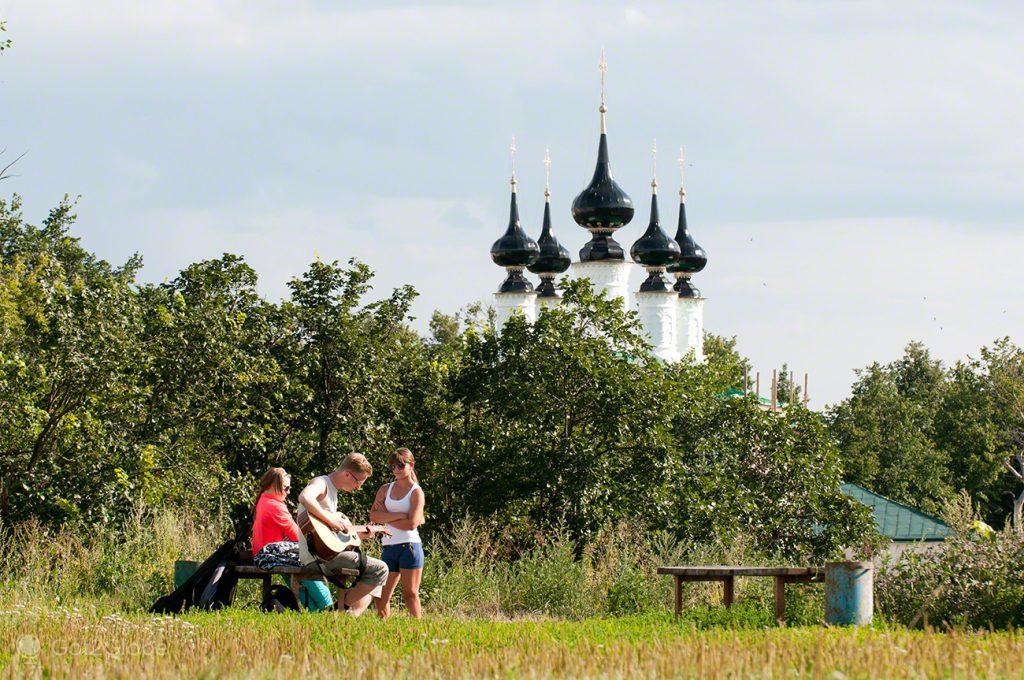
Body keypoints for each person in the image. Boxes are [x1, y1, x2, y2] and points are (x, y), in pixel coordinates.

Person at [296, 453, 389, 616]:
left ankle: (347, 613)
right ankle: (340, 610)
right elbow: (305, 497)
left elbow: (329, 539)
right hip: (316, 558)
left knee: (377, 576)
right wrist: (332, 522)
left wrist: (359, 536)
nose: (358, 487)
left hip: (326, 555)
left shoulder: (333, 493)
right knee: (381, 569)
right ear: (347, 474)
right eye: (359, 481)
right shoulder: (321, 483)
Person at [250, 467, 334, 611]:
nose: (289, 492)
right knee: (313, 558)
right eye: (286, 488)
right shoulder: (274, 506)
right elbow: (297, 535)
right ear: (273, 485)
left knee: (305, 579)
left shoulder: (263, 500)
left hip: (265, 555)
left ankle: (318, 613)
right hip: (271, 555)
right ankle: (327, 608)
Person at [370, 447, 425, 618]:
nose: (396, 470)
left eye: (400, 466)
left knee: (410, 595)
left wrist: (386, 517)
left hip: (409, 547)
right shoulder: (385, 489)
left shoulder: (416, 492)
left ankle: (420, 631)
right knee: (381, 597)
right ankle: (383, 631)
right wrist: (399, 515)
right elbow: (373, 515)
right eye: (393, 466)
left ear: (411, 465)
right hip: (389, 547)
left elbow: (412, 524)